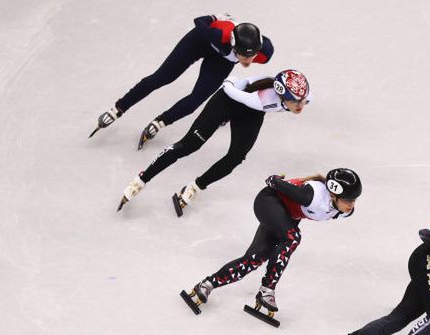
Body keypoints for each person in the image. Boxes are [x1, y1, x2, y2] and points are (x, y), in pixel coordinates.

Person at [116, 69, 311, 216]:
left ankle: (195, 187)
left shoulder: (300, 96)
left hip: (249, 114)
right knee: (189, 145)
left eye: (303, 100)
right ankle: (142, 179)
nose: (301, 106)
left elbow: (254, 81)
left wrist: (241, 82)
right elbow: (235, 93)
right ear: (280, 95)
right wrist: (228, 82)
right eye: (296, 102)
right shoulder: (264, 100)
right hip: (226, 102)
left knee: (236, 157)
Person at [180, 169, 361, 316]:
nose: (351, 204)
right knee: (293, 237)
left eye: (353, 200)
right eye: (347, 200)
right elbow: (274, 183)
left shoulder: (344, 210)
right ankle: (267, 289)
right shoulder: (312, 195)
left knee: (254, 259)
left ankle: (207, 285)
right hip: (268, 202)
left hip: (284, 217)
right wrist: (275, 179)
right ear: (333, 195)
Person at [89, 14, 274, 149]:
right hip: (199, 42)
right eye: (243, 55)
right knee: (162, 77)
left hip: (221, 59)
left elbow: (256, 49)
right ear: (233, 45)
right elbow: (199, 21)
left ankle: (161, 121)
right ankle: (119, 108)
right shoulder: (218, 36)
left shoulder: (264, 52)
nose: (248, 61)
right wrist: (214, 16)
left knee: (196, 100)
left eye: (252, 55)